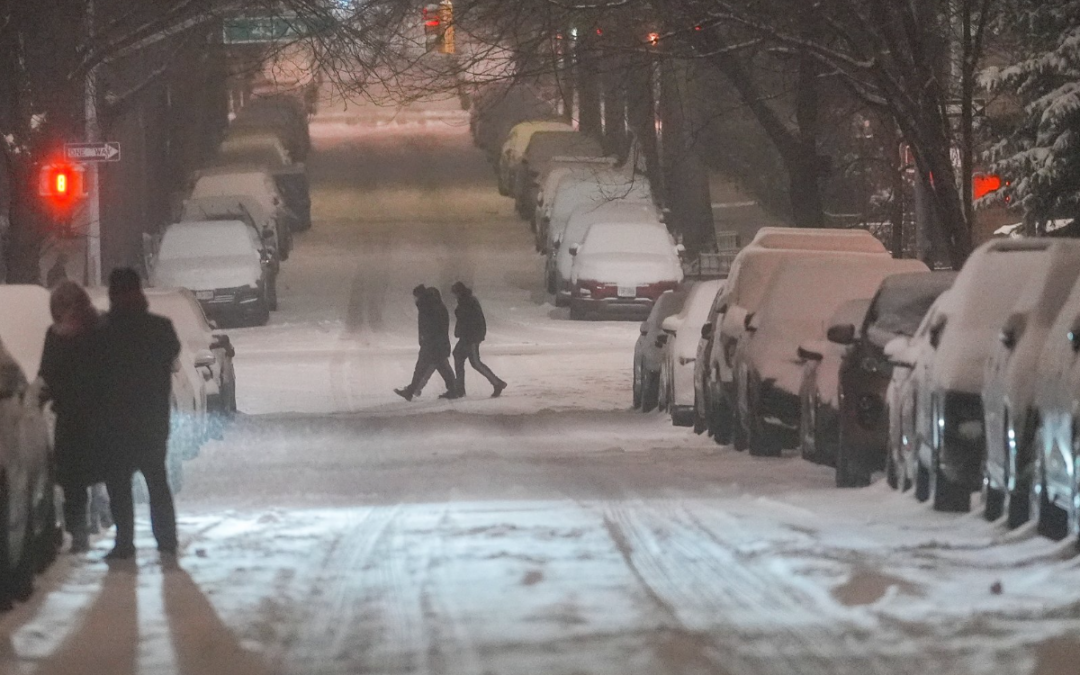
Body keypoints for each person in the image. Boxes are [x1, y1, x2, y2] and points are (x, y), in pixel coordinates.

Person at [97, 268, 181, 560]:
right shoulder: (160, 329)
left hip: (114, 422)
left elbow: (93, 375)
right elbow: (169, 357)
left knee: (119, 485)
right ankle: (166, 541)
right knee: (156, 480)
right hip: (151, 420)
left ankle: (125, 542)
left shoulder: (103, 332)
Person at [38, 281, 102, 553]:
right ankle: (83, 529)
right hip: (85, 414)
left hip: (83, 415)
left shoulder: (89, 333)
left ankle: (84, 528)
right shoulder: (93, 332)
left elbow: (48, 374)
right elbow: (47, 373)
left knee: (80, 475)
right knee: (83, 475)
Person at [395, 285, 456, 401]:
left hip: (432, 344)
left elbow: (428, 327)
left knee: (422, 368)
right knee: (442, 367)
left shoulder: (427, 307)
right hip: (438, 343)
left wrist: (425, 339)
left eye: (415, 297)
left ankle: (411, 391)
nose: (415, 300)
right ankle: (453, 389)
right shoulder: (435, 306)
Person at [450, 281, 506, 398]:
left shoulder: (467, 303)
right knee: (459, 356)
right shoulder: (468, 301)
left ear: (458, 293)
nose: (454, 296)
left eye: (454, 294)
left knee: (475, 362)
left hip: (471, 337)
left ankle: (497, 383)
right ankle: (460, 388)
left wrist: (463, 333)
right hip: (469, 336)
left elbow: (467, 321)